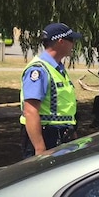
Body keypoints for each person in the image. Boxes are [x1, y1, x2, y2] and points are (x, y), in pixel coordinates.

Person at [19, 22, 82, 158]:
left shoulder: (57, 68)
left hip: (62, 135)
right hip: (46, 136)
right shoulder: (39, 70)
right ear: (60, 42)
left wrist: (73, 134)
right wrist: (40, 150)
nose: (74, 44)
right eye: (71, 40)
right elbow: (30, 111)